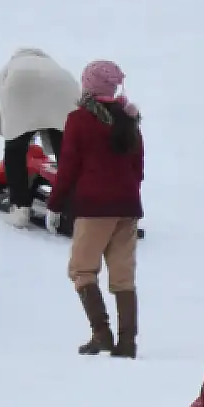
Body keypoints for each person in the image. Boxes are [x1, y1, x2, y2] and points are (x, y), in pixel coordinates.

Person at [48, 60, 144, 358]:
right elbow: (137, 169)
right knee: (123, 276)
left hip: (94, 208)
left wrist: (55, 203)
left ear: (88, 86)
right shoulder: (129, 119)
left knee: (82, 270)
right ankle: (127, 343)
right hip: (127, 207)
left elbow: (68, 168)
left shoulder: (79, 120)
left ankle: (101, 334)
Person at [0, 49, 80, 228]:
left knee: (16, 150)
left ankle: (20, 208)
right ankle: (73, 203)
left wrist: (6, 131)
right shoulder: (56, 67)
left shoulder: (12, 65)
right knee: (67, 152)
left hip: (20, 85)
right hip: (65, 88)